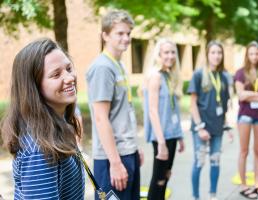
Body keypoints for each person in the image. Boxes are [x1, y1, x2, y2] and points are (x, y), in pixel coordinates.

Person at [1, 38, 85, 199]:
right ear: (34, 87)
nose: (69, 78)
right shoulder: (39, 150)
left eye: (69, 68)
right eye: (56, 74)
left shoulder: (58, 127)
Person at [86, 10, 142, 200]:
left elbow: (123, 113)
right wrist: (116, 163)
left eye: (128, 33)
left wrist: (135, 147)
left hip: (127, 151)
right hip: (112, 158)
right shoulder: (102, 67)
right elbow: (101, 118)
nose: (126, 38)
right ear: (105, 35)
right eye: (120, 33)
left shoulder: (119, 65)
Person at [187, 41, 230, 200]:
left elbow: (224, 104)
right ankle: (195, 196)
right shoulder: (198, 74)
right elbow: (192, 104)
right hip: (201, 127)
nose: (216, 55)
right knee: (199, 162)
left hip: (218, 127)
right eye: (213, 52)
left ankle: (213, 195)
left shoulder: (224, 76)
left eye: (219, 52)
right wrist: (200, 127)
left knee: (215, 162)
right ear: (207, 55)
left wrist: (226, 126)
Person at [143, 38, 185, 200]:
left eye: (173, 52)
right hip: (162, 136)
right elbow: (153, 111)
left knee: (166, 175)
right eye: (166, 52)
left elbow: (172, 110)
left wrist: (179, 135)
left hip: (171, 134)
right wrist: (161, 143)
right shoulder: (156, 76)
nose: (170, 56)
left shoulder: (169, 75)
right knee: (159, 179)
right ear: (159, 55)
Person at [234, 41, 258, 199]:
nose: (254, 56)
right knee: (244, 151)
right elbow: (241, 95)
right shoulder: (240, 73)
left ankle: (257, 184)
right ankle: (243, 185)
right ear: (247, 55)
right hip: (245, 116)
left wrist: (252, 95)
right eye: (251, 53)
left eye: (257, 54)